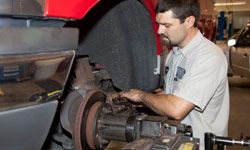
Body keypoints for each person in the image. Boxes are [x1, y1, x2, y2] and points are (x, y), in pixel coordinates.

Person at [119, 0, 229, 149]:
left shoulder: (209, 57)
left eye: (167, 25)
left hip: (202, 144)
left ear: (189, 21)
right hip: (178, 139)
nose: (159, 31)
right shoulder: (174, 54)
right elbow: (172, 94)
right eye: (158, 24)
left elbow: (176, 109)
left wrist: (141, 96)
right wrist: (144, 99)